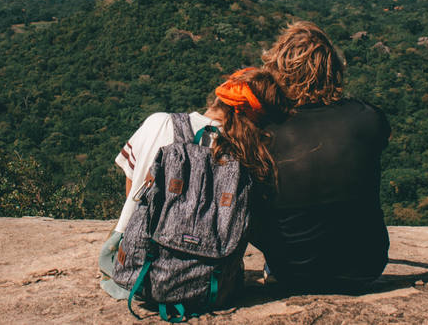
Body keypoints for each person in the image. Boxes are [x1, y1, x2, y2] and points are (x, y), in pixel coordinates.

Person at [99, 67, 290, 299]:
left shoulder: (159, 123)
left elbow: (132, 190)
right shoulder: (250, 156)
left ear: (219, 96)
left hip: (136, 271)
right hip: (210, 280)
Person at [251, 21, 391, 292]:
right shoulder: (368, 118)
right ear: (334, 69)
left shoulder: (264, 130)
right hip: (365, 266)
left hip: (292, 270)